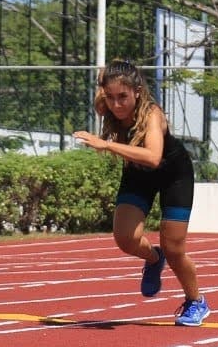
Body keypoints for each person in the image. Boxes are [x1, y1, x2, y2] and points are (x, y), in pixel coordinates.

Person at [72, 59, 210, 326]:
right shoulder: (106, 105)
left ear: (137, 91)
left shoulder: (152, 114)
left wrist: (107, 146)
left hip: (174, 175)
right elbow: (104, 77)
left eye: (122, 97)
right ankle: (153, 258)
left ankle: (196, 301)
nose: (116, 104)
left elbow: (153, 157)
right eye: (110, 97)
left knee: (174, 249)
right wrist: (108, 73)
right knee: (125, 238)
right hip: (137, 174)